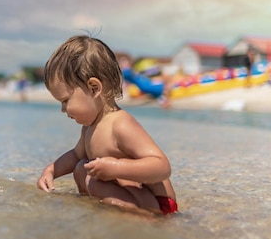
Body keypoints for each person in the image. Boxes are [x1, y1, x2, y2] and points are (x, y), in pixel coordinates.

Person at [36, 35, 178, 215]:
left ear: (94, 88)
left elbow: (162, 167)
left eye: (65, 101)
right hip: (133, 196)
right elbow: (75, 155)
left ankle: (140, 222)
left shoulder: (120, 124)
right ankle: (99, 214)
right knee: (81, 167)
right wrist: (50, 171)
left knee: (94, 182)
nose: (63, 109)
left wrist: (116, 168)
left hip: (159, 204)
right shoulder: (89, 127)